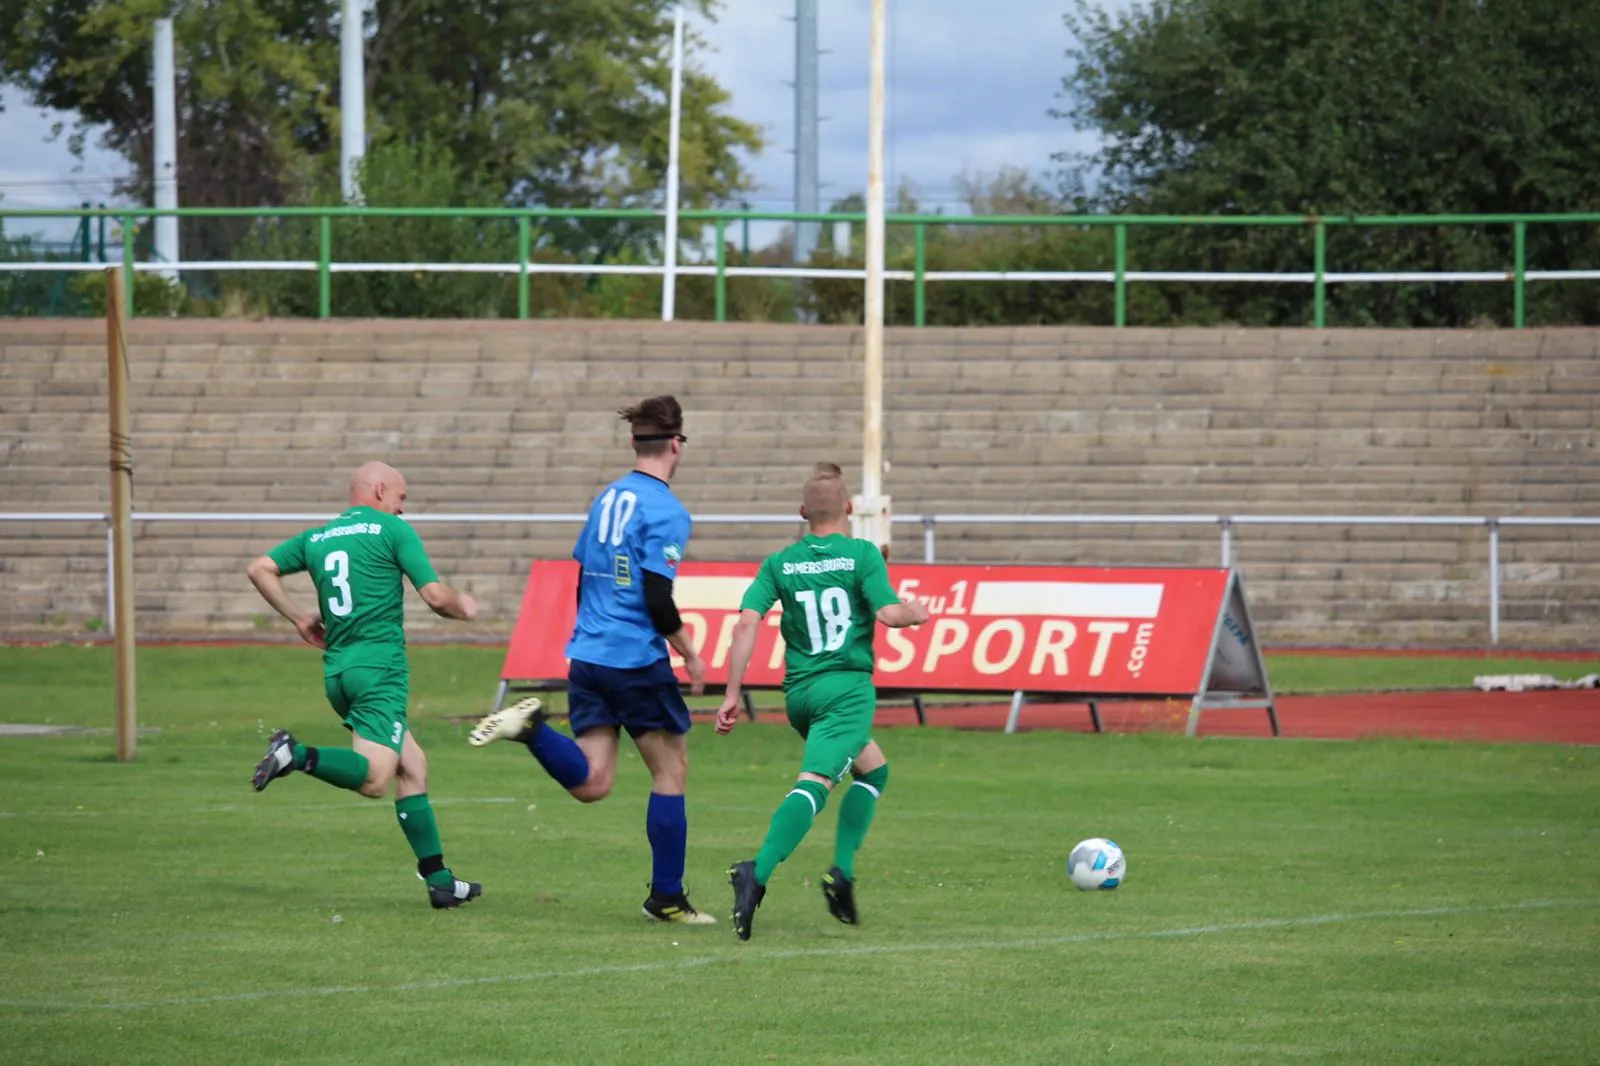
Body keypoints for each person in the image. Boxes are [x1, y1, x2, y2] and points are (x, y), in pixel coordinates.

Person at [468, 395, 715, 925]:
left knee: (593, 782)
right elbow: (656, 598)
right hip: (633, 659)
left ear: (633, 442)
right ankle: (667, 897)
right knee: (670, 771)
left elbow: (584, 574)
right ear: (677, 444)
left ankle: (532, 728)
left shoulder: (606, 499)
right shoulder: (667, 511)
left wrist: (591, 635)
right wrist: (690, 653)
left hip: (588, 654)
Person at [247, 460, 483, 910]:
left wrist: (299, 618)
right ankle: (296, 754)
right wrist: (464, 605)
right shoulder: (393, 531)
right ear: (378, 490)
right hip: (379, 671)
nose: (402, 508)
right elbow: (435, 597)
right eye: (401, 497)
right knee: (375, 779)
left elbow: (259, 568)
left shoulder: (318, 537)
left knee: (412, 766)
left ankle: (440, 881)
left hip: (338, 674)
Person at [716, 462, 929, 940]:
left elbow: (747, 622)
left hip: (800, 695)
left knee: (873, 771)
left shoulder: (780, 563)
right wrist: (915, 612)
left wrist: (731, 693)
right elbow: (889, 614)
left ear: (802, 512)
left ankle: (842, 875)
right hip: (846, 691)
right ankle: (757, 871)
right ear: (849, 507)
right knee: (815, 783)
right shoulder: (861, 554)